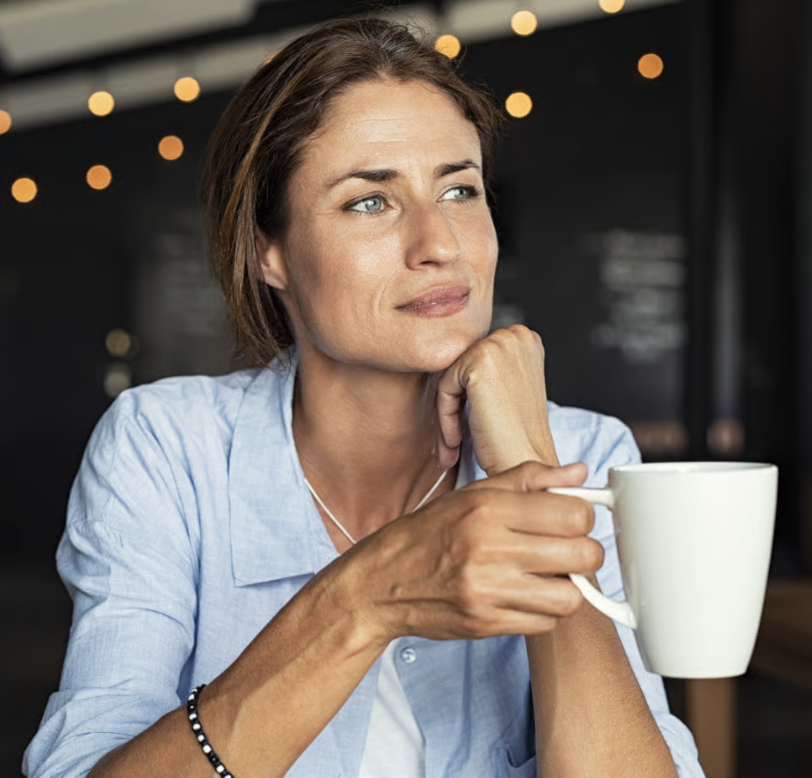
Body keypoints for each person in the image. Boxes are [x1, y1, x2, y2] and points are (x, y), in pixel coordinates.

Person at [24, 17, 703, 778]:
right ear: (266, 250)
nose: (440, 243)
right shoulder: (166, 447)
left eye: (460, 189)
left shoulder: (585, 455)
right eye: (369, 203)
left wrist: (526, 461)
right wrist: (366, 599)